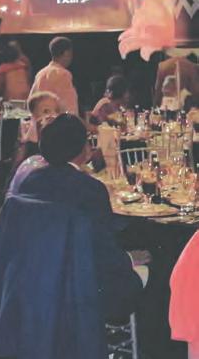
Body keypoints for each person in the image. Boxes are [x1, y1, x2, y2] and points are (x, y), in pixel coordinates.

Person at [11, 114, 147, 319]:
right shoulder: (90, 189)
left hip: (33, 278)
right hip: (82, 287)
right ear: (83, 149)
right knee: (156, 265)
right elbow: (103, 251)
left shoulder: (28, 179)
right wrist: (129, 258)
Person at [11, 91, 60, 176]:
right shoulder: (27, 158)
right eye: (46, 111)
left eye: (56, 111)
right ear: (33, 116)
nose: (53, 115)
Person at [30, 37, 78, 115]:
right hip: (58, 121)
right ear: (67, 53)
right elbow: (70, 107)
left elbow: (31, 101)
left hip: (40, 120)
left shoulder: (40, 74)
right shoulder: (63, 74)